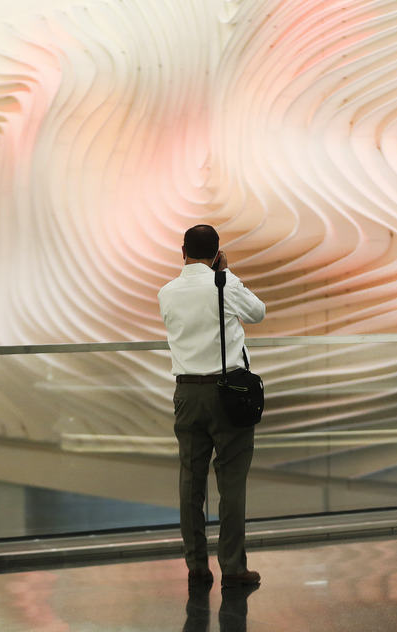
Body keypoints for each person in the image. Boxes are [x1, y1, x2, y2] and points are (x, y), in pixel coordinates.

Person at [158, 224, 266, 589]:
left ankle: (196, 566)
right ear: (217, 253)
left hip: (187, 394)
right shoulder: (224, 285)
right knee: (232, 482)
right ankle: (233, 569)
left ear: (182, 251)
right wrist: (226, 274)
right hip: (228, 394)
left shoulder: (166, 292)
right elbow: (258, 312)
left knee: (191, 481)